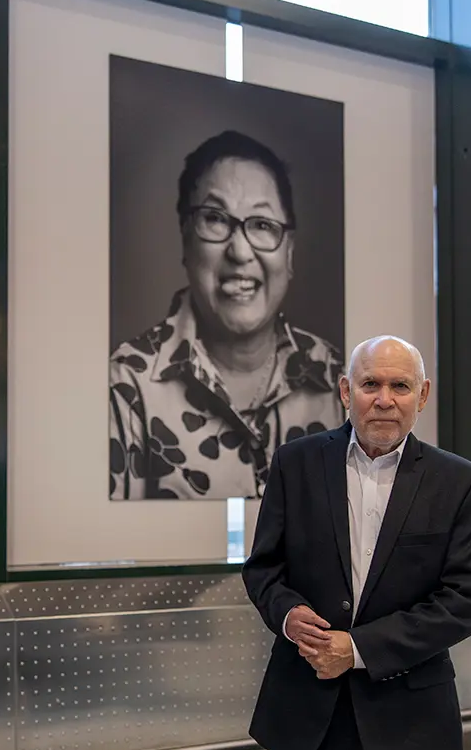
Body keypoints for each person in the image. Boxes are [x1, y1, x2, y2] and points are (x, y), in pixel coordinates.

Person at [242, 335, 471, 750]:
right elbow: (264, 568)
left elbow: (464, 601)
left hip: (410, 710)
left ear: (422, 396)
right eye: (369, 383)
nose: (383, 399)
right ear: (344, 390)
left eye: (400, 385)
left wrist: (355, 650)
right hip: (305, 698)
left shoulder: (460, 482)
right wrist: (289, 615)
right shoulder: (296, 464)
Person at [109, 130, 342, 501]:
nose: (240, 251)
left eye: (263, 225)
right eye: (216, 219)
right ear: (186, 239)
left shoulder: (339, 380)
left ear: (290, 253)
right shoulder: (126, 385)